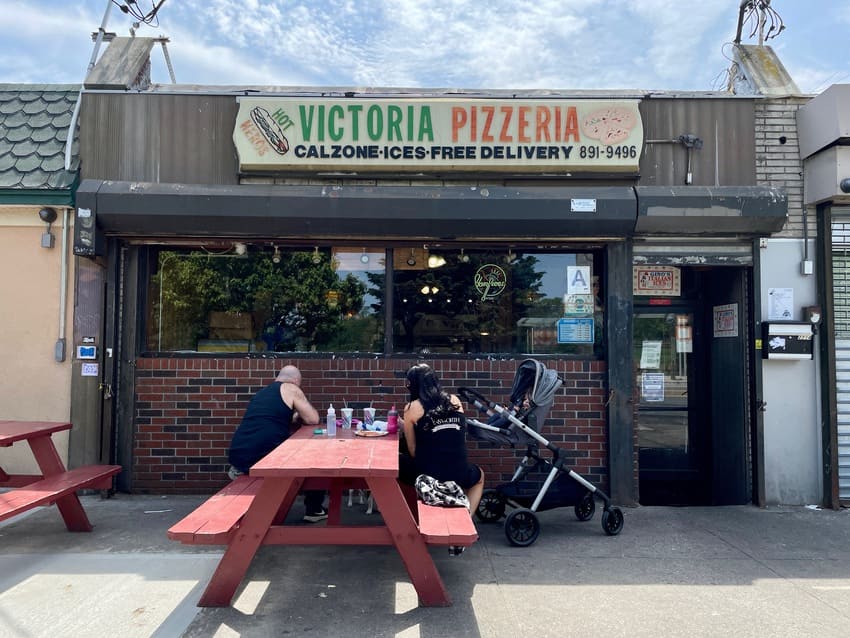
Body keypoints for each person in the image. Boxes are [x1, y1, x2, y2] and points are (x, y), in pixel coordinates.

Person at [227, 365, 327, 522]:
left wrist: (290, 417)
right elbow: (313, 419)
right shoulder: (291, 388)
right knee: (316, 461)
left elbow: (269, 419)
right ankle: (314, 510)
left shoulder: (263, 393)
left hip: (239, 456)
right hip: (264, 458)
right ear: (295, 380)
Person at [399, 363, 484, 515]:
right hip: (459, 471)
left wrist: (406, 427)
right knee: (479, 476)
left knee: (395, 465)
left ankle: (408, 515)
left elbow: (412, 451)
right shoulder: (455, 400)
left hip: (427, 475)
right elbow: (452, 437)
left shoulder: (411, 408)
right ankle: (467, 518)